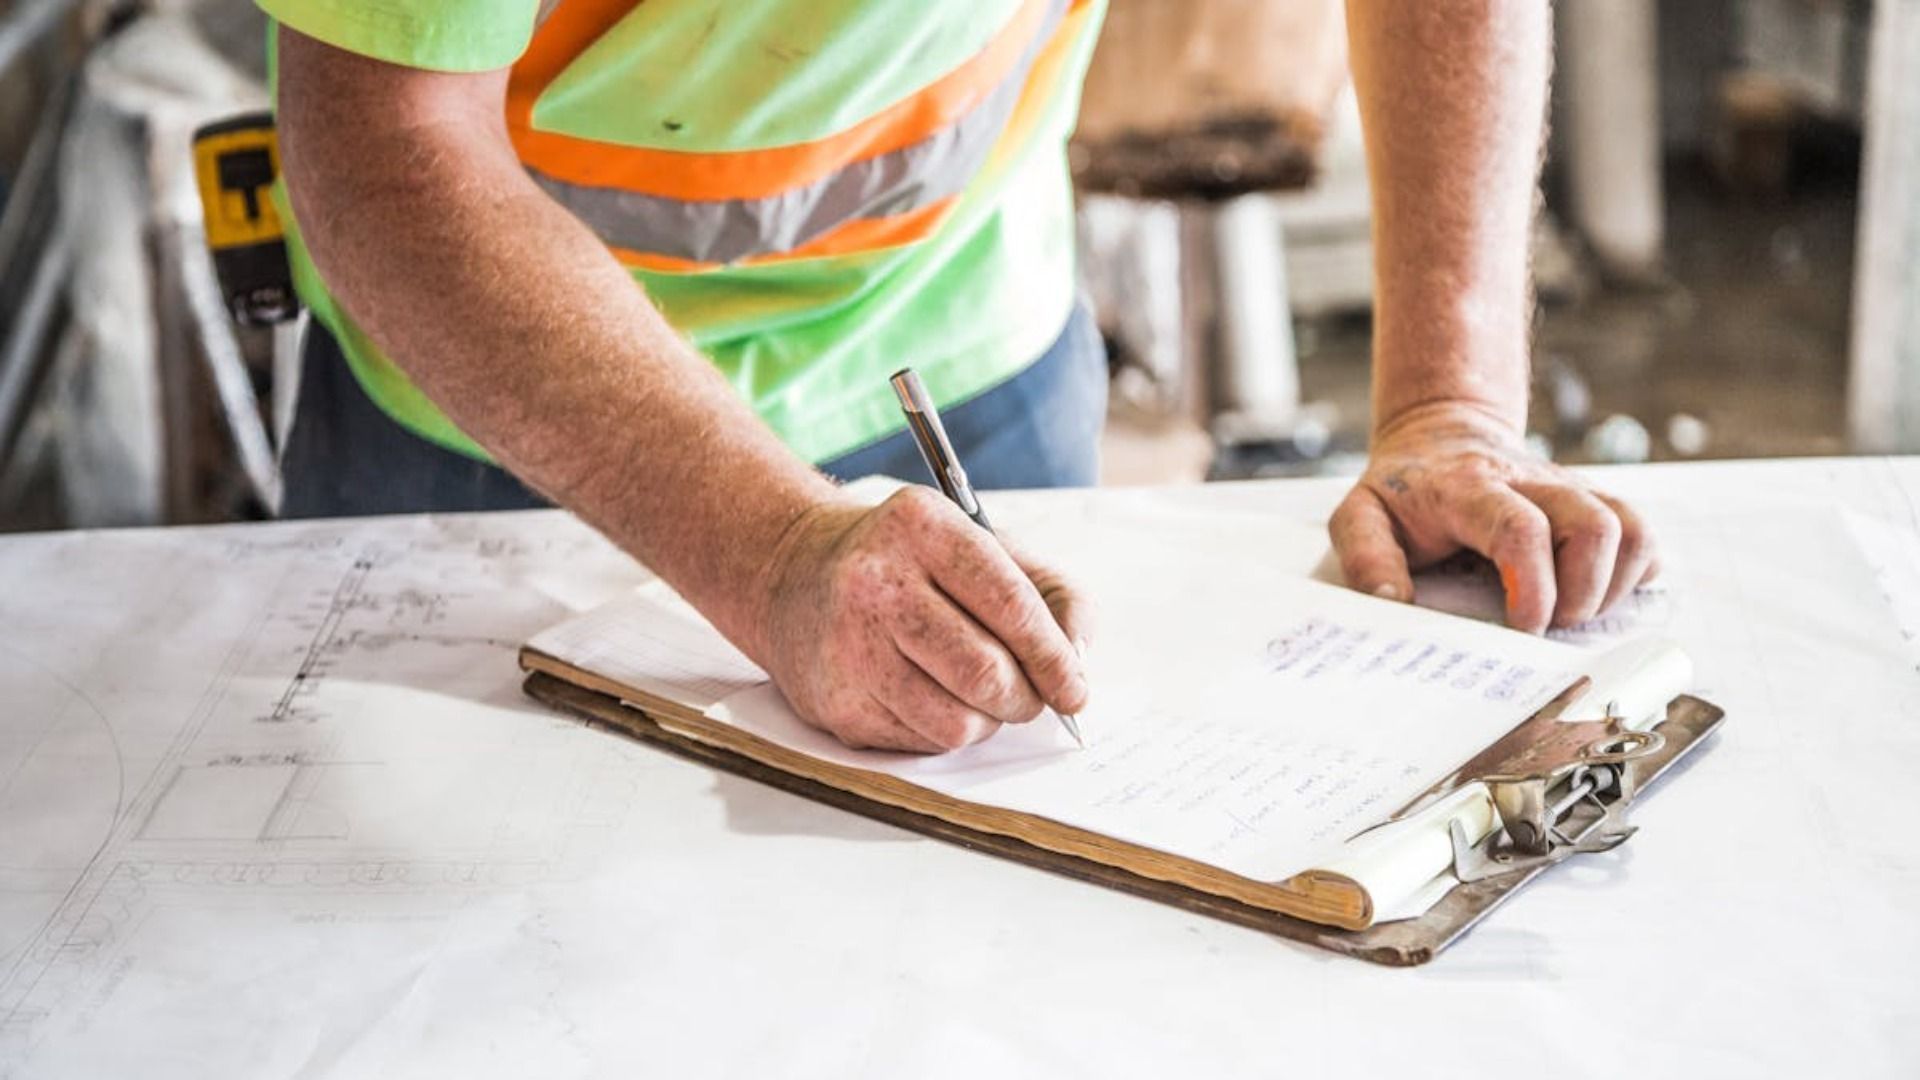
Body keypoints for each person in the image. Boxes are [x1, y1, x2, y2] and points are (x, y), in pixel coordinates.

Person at [267, 0, 1656, 754]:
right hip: (508, 424)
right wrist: (764, 548)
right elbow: (388, 147)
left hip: (971, 347)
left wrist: (1449, 406)